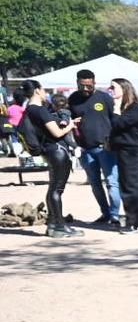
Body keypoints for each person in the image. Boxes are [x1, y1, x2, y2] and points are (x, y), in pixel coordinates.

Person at [18, 81, 79, 237]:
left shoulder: (29, 110)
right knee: (57, 190)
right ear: (38, 91)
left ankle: (53, 224)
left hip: (48, 151)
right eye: (43, 90)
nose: (45, 93)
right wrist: (70, 125)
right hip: (57, 151)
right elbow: (57, 133)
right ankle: (59, 226)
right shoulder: (40, 110)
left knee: (53, 188)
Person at [67, 69, 121, 229]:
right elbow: (68, 119)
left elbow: (116, 121)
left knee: (112, 182)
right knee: (95, 184)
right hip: (85, 150)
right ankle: (105, 213)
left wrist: (113, 141)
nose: (85, 89)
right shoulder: (73, 99)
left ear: (94, 83)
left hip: (105, 148)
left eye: (89, 86)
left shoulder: (104, 98)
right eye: (82, 86)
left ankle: (115, 215)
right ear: (77, 83)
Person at [107, 78, 138, 232]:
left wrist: (115, 110)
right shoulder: (128, 107)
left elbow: (119, 124)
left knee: (131, 187)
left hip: (134, 150)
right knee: (134, 186)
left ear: (124, 88)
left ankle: (132, 222)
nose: (110, 90)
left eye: (113, 87)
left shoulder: (136, 107)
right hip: (125, 150)